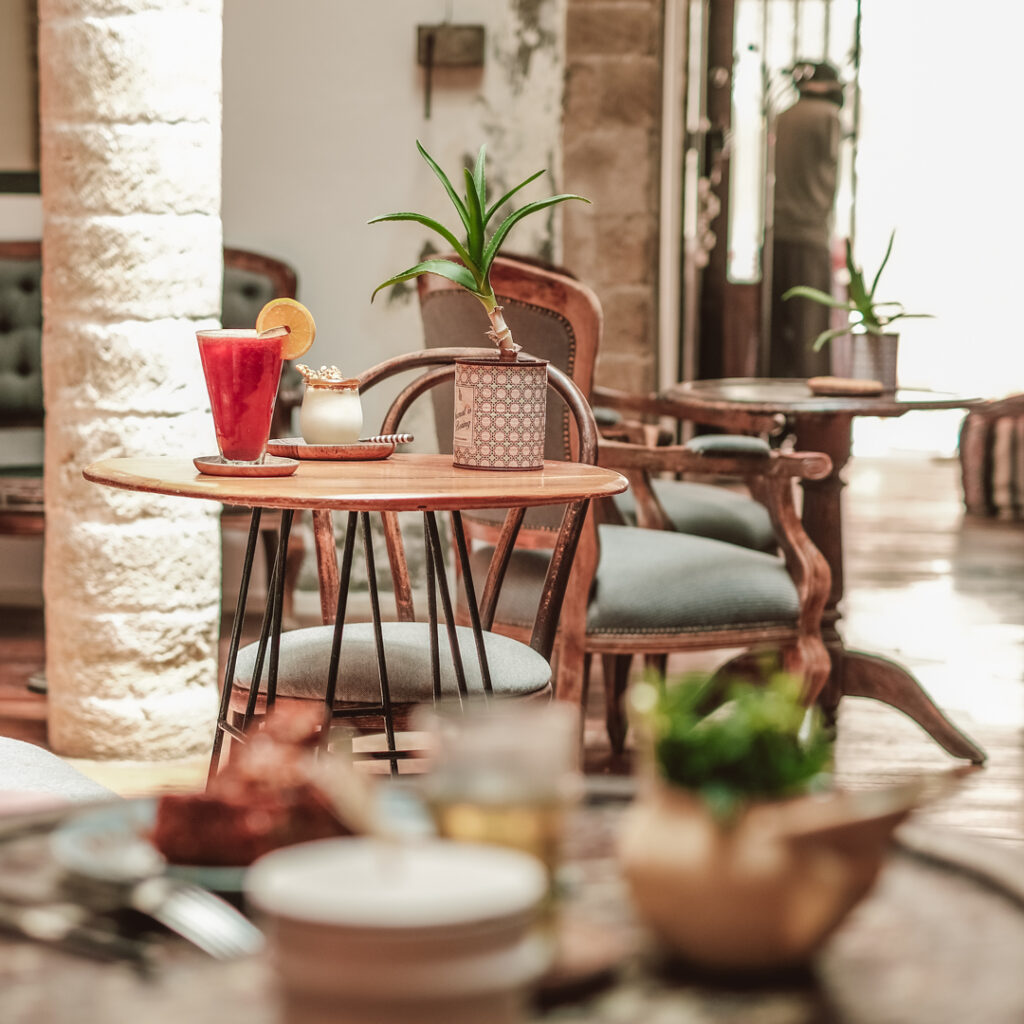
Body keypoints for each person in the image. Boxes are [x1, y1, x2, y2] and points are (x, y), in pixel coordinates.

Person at [769, 61, 844, 378]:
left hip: (777, 234)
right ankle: (812, 423)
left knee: (779, 335)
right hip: (810, 235)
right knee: (811, 338)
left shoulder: (784, 116)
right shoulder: (828, 118)